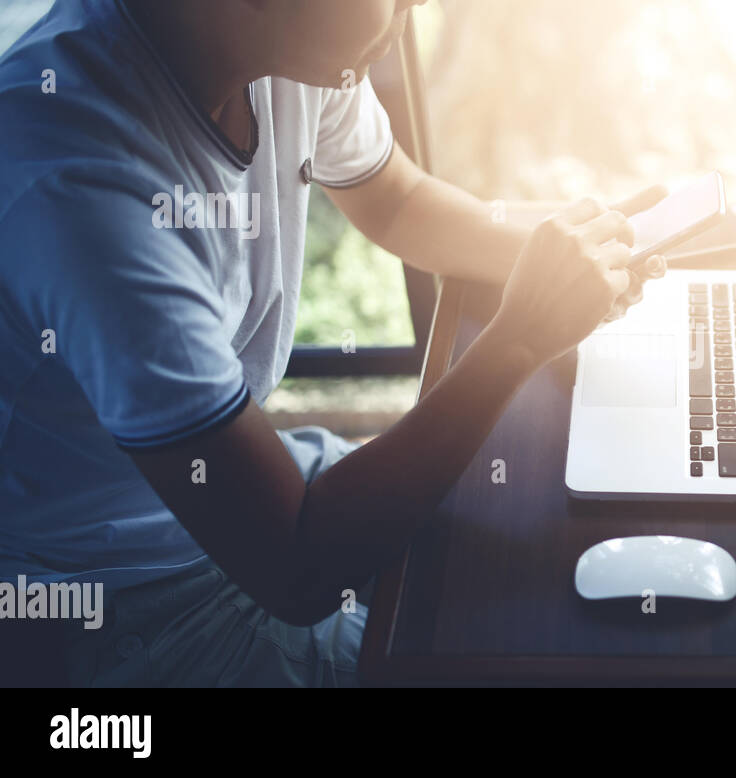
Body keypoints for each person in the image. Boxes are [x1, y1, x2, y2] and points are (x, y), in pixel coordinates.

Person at [0, 0, 666, 686]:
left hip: (253, 492)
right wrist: (520, 338)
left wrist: (558, 262)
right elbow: (296, 565)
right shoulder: (85, 189)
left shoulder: (285, 44)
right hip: (128, 596)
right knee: (504, 648)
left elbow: (396, 198)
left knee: (528, 536)